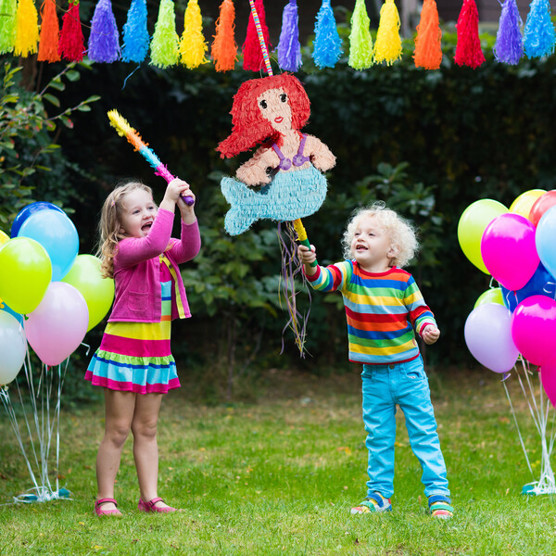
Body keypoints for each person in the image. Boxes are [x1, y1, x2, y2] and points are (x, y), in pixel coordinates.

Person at [298, 202, 453, 519]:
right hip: (374, 377)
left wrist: (427, 328)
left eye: (371, 233)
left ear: (392, 248)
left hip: (409, 373)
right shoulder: (349, 273)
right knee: (378, 439)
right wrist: (310, 263)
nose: (360, 237)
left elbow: (419, 311)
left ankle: (439, 496)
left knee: (424, 435)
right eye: (356, 233)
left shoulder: (403, 280)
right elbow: (321, 280)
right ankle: (379, 496)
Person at [85, 178, 200, 516]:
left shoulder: (163, 249)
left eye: (150, 207)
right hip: (123, 355)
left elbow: (189, 249)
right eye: (137, 211)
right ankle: (105, 498)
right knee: (118, 429)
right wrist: (167, 200)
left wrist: (187, 213)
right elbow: (154, 242)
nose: (148, 213)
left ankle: (150, 497)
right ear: (119, 225)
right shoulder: (126, 250)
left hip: (155, 354)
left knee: (147, 429)